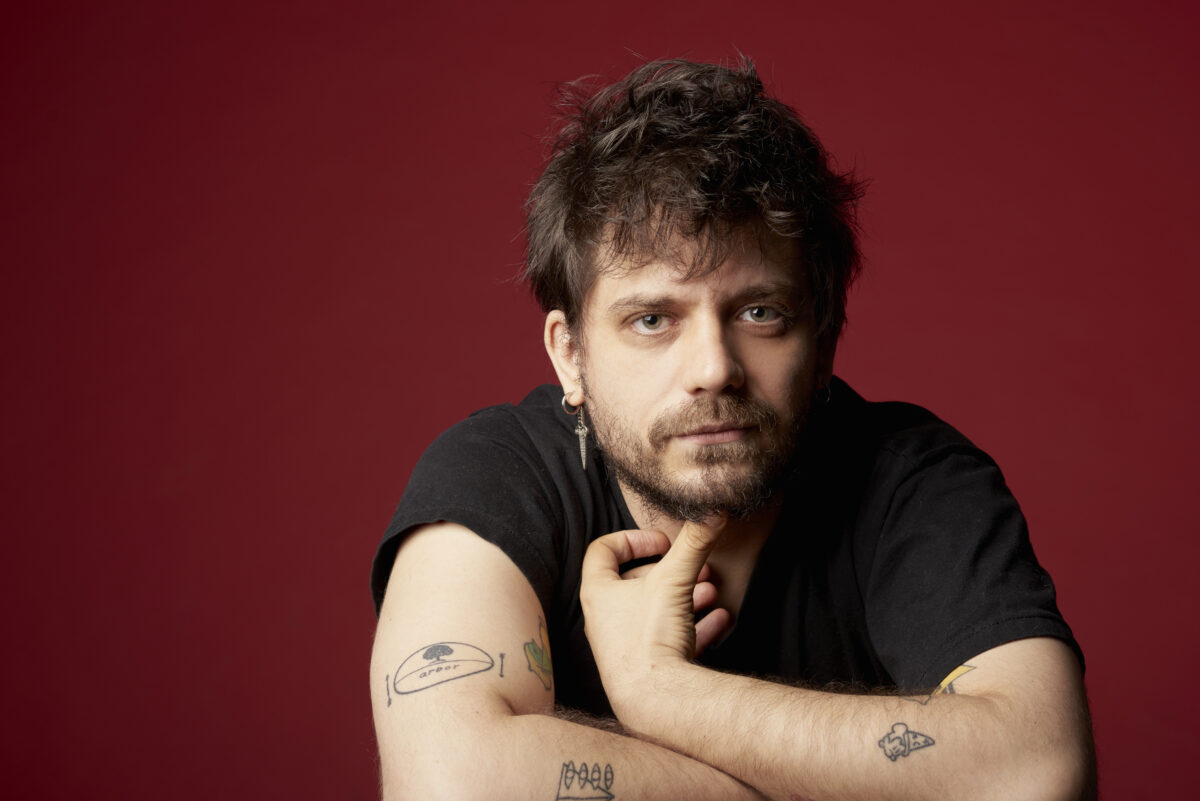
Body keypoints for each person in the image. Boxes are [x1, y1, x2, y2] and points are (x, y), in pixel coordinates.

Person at [369, 59, 1095, 801]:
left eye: (759, 313)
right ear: (570, 356)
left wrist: (658, 689)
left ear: (824, 342)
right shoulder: (495, 477)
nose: (715, 369)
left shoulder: (914, 480)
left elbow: (1037, 772)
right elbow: (449, 783)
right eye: (652, 320)